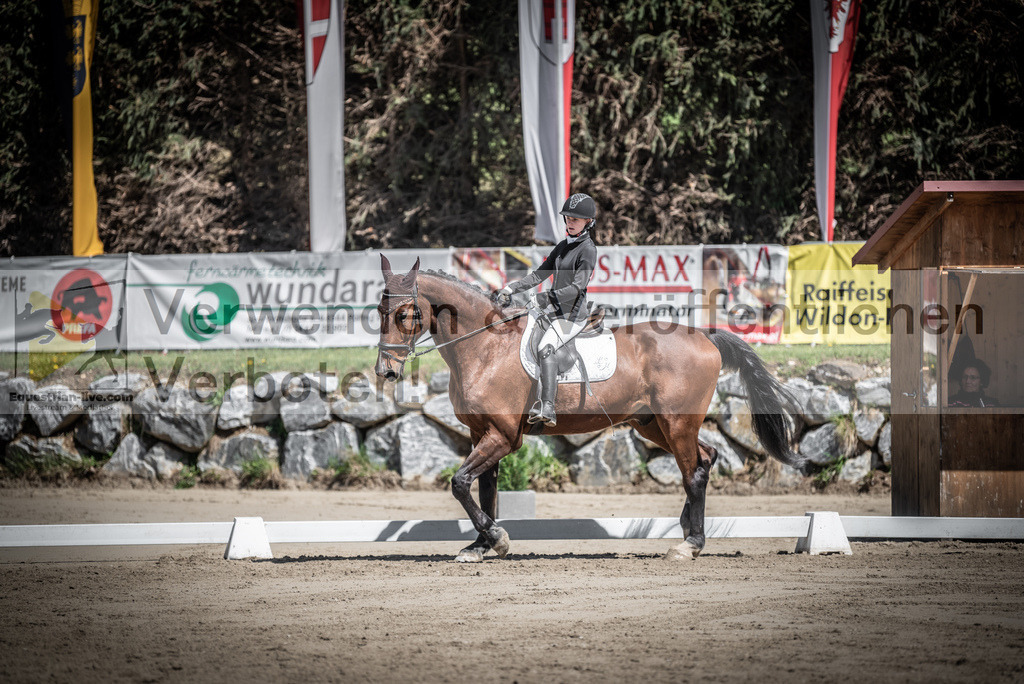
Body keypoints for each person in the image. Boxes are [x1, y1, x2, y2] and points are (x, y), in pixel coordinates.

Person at [495, 193, 598, 426]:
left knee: (545, 347)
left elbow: (577, 287)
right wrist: (512, 288)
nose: (570, 222)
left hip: (572, 315)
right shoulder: (563, 246)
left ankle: (548, 407)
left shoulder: (587, 250)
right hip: (553, 311)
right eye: (568, 218)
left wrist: (546, 298)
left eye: (576, 219)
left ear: (588, 222)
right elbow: (540, 274)